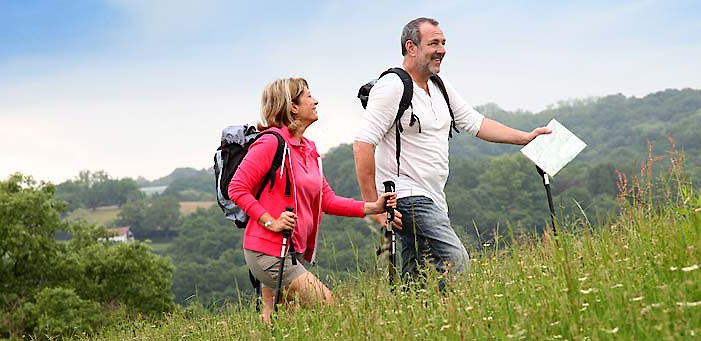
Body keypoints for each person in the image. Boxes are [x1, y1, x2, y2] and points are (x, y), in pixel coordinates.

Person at [353, 17, 551, 284]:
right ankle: (455, 317)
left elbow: (476, 123)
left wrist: (525, 137)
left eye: (443, 43)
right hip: (407, 195)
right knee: (455, 260)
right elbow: (363, 144)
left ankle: (419, 319)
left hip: (434, 196)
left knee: (417, 278)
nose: (442, 50)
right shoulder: (392, 87)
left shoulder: (439, 85)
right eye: (434, 43)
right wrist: (373, 207)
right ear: (411, 47)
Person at [229, 77, 396, 322]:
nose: (315, 100)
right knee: (331, 308)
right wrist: (270, 221)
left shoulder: (308, 148)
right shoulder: (270, 143)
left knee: (279, 321)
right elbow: (237, 188)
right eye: (308, 96)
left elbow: (326, 200)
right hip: (268, 251)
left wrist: (373, 207)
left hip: (290, 250)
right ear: (293, 106)